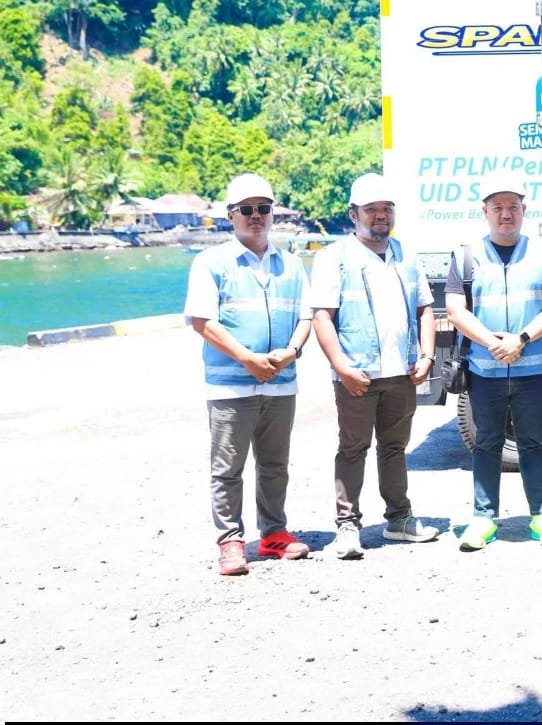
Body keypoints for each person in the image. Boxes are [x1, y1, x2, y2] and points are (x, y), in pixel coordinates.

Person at [184, 173, 312, 576]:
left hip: (281, 383)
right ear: (231, 215)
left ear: (273, 213)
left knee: (275, 465)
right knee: (228, 468)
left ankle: (274, 534)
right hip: (230, 385)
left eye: (263, 208)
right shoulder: (211, 263)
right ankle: (231, 542)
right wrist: (246, 359)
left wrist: (292, 351)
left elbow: (306, 316)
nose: (256, 215)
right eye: (247, 209)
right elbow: (202, 321)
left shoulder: (291, 264)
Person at [310, 172, 438, 560]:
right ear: (354, 214)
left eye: (387, 208)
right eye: (371, 209)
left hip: (402, 372)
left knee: (395, 447)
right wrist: (341, 367)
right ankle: (348, 527)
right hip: (358, 374)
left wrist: (427, 356)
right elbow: (322, 316)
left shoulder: (406, 255)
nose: (380, 215)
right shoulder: (334, 258)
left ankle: (399, 519)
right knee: (352, 448)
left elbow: (425, 309)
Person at [445, 173, 542, 551]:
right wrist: (492, 343)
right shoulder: (466, 256)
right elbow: (456, 310)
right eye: (497, 207)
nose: (506, 214)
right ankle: (483, 518)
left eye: (513, 206)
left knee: (533, 443)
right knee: (487, 443)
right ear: (484, 211)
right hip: (485, 370)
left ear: (523, 210)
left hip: (533, 369)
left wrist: (521, 340)